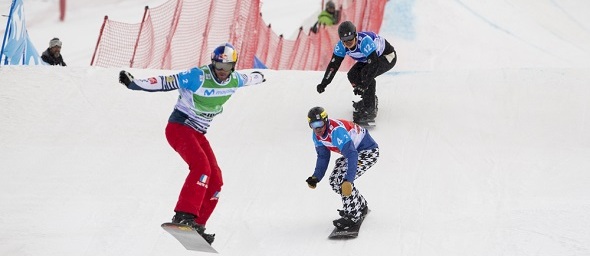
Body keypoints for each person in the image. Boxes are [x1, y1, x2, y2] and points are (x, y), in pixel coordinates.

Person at [117, 43, 266, 244]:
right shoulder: (199, 76)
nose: (222, 72)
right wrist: (135, 83)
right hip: (180, 127)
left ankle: (197, 224)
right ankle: (183, 216)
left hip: (198, 133)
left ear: (233, 66)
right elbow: (165, 82)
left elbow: (251, 78)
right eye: (218, 67)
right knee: (201, 168)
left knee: (216, 180)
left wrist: (261, 76)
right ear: (212, 64)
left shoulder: (235, 79)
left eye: (227, 67)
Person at [305, 106, 379, 230]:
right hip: (354, 153)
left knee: (341, 180)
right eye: (313, 125)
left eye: (319, 124)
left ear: (326, 120)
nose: (317, 128)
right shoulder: (316, 136)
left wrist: (349, 180)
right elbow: (323, 156)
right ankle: (359, 205)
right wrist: (316, 177)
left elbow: (352, 154)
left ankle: (353, 215)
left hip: (368, 152)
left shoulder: (336, 131)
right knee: (334, 181)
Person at [315, 21, 397, 123]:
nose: (348, 43)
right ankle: (369, 99)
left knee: (365, 74)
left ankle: (370, 110)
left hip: (387, 56)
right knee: (352, 75)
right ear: (341, 40)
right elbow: (333, 66)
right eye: (345, 41)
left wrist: (364, 85)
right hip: (368, 59)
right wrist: (324, 83)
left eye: (350, 39)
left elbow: (374, 65)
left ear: (355, 35)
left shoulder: (364, 42)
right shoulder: (340, 46)